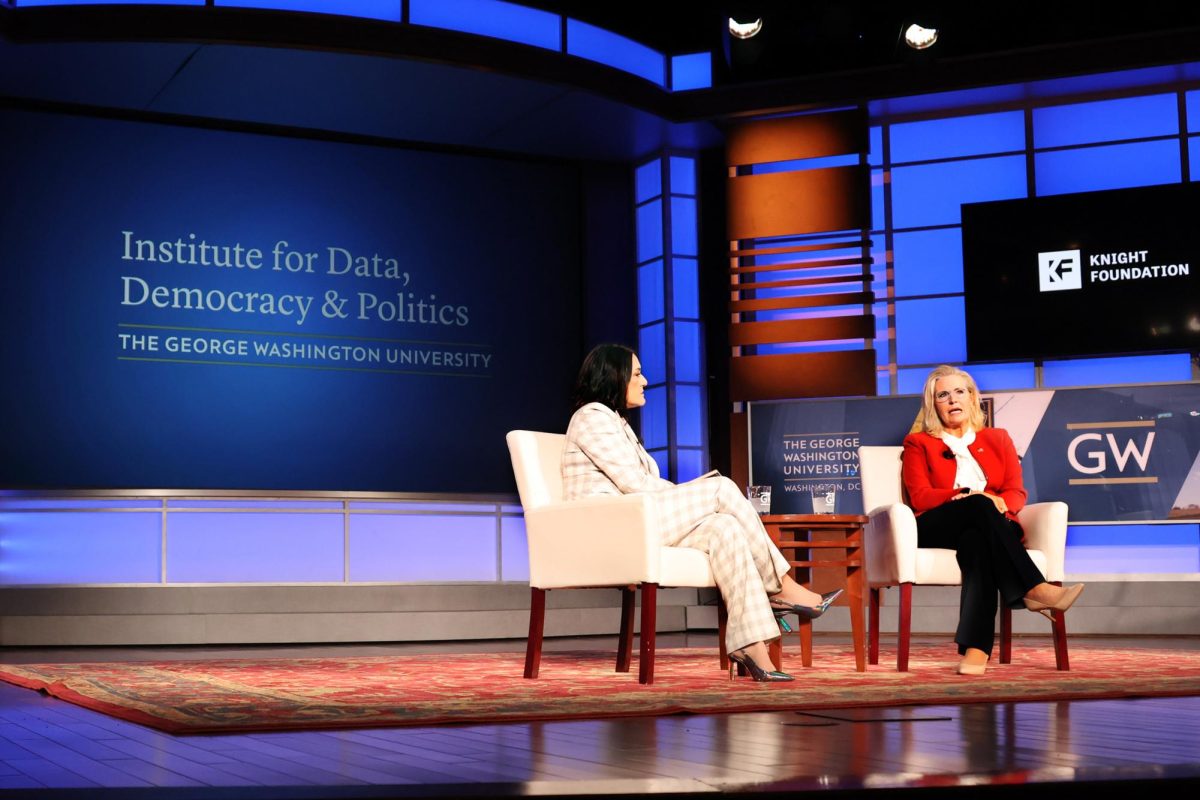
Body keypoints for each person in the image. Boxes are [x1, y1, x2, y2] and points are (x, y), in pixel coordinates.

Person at [562, 343, 842, 682]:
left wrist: (684, 494)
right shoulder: (592, 417)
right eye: (636, 373)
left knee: (724, 527)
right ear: (613, 376)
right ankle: (781, 587)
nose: (645, 381)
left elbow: (644, 484)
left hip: (636, 518)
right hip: (614, 529)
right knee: (721, 487)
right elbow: (636, 484)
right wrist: (692, 493)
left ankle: (750, 646)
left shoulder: (616, 423)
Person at [902, 365, 1084, 675]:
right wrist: (966, 496)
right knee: (978, 506)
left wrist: (996, 503)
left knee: (978, 542)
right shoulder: (919, 443)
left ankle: (976, 649)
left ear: (973, 398)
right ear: (933, 404)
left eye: (959, 391)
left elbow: (1016, 492)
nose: (952, 399)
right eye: (943, 395)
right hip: (938, 523)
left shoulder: (998, 438)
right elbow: (920, 496)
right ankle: (1034, 588)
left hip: (992, 523)